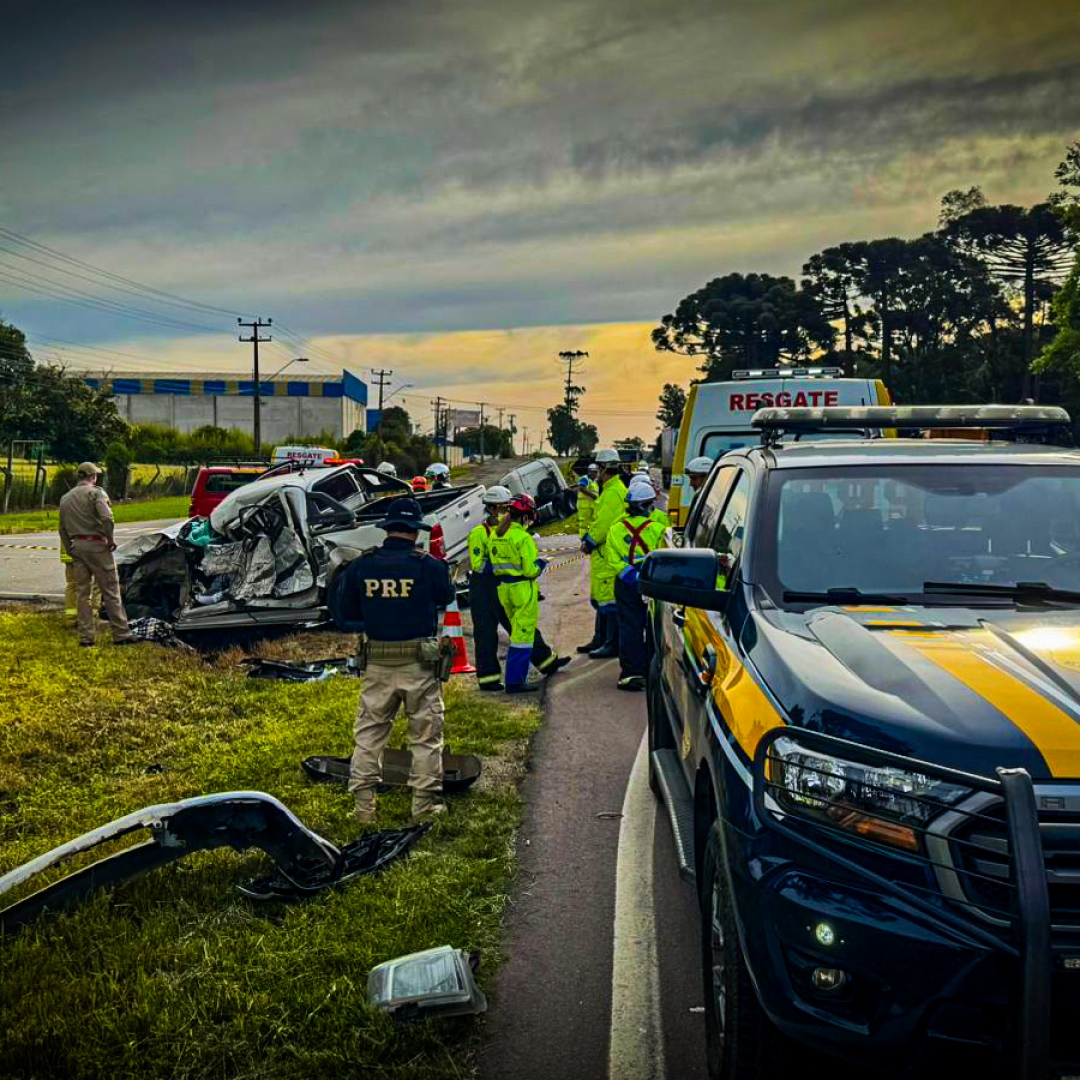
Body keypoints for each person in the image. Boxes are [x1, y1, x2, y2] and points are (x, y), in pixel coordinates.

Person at [330, 497, 456, 823]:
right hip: (419, 664)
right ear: (415, 531)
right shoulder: (427, 565)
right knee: (426, 738)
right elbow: (447, 595)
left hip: (377, 663)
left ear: (387, 529)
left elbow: (345, 613)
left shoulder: (362, 565)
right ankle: (424, 807)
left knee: (369, 737)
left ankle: (363, 809)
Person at [469, 487, 569, 692]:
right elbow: (477, 564)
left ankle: (546, 662)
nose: (507, 512)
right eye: (503, 508)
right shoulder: (479, 533)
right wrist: (503, 563)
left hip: (504, 585)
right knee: (486, 633)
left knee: (523, 626)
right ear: (491, 508)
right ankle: (488, 678)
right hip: (484, 587)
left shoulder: (510, 532)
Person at [58, 462, 135, 647]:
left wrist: (70, 548)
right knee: (110, 590)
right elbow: (107, 518)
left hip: (77, 546)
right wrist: (109, 539)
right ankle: (121, 634)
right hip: (97, 545)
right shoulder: (96, 493)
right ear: (93, 477)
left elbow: (61, 528)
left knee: (82, 593)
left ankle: (86, 637)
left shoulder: (65, 498)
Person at [605, 480, 667, 691]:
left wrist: (629, 574)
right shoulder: (660, 530)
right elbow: (664, 559)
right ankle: (655, 669)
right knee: (655, 625)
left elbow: (611, 557)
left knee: (629, 627)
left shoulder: (615, 529)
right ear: (648, 505)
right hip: (653, 582)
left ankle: (631, 673)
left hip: (625, 583)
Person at [580, 449, 627, 658]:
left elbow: (603, 524)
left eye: (598, 467)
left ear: (605, 467)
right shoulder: (610, 489)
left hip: (607, 553)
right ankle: (600, 639)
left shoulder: (613, 492)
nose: (596, 471)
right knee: (601, 598)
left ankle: (611, 644)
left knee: (609, 601)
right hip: (603, 554)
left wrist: (589, 541)